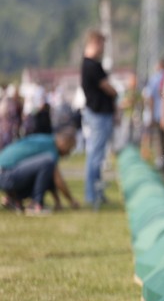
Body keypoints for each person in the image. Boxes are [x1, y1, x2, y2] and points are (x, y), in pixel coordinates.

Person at [0, 126, 80, 216]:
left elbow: (50, 177)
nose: (68, 153)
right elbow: (57, 179)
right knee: (47, 162)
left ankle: (13, 200)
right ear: (64, 142)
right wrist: (71, 200)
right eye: (70, 148)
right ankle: (35, 205)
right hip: (6, 174)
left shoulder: (46, 140)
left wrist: (57, 201)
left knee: (46, 166)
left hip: (7, 173)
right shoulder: (51, 148)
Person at [80, 29, 117, 207]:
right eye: (102, 44)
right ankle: (92, 195)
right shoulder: (92, 65)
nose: (103, 49)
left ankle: (96, 193)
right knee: (95, 156)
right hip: (98, 114)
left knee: (96, 155)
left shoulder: (88, 64)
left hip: (97, 113)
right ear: (95, 42)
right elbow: (108, 87)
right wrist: (116, 93)